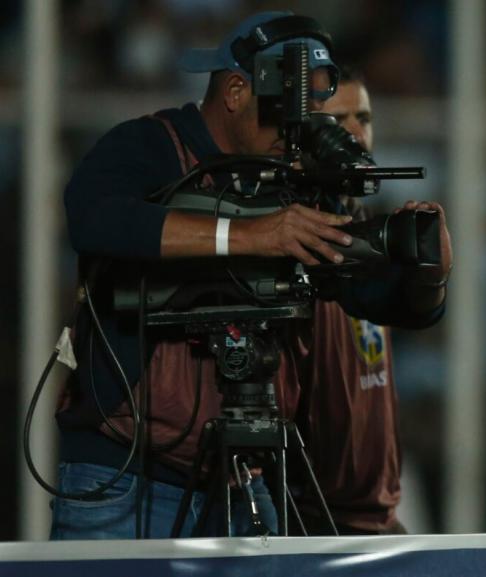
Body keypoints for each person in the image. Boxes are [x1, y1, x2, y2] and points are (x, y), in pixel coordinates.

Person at [51, 11, 451, 540]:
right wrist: (253, 236)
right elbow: (94, 217)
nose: (297, 130)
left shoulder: (297, 177)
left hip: (246, 478)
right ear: (236, 90)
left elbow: (367, 294)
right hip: (123, 472)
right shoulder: (151, 145)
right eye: (284, 109)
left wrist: (428, 278)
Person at [285, 67, 436, 535]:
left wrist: (432, 278)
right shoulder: (287, 240)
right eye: (338, 120)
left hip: (378, 513)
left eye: (364, 118)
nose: (356, 133)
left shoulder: (373, 232)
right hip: (310, 522)